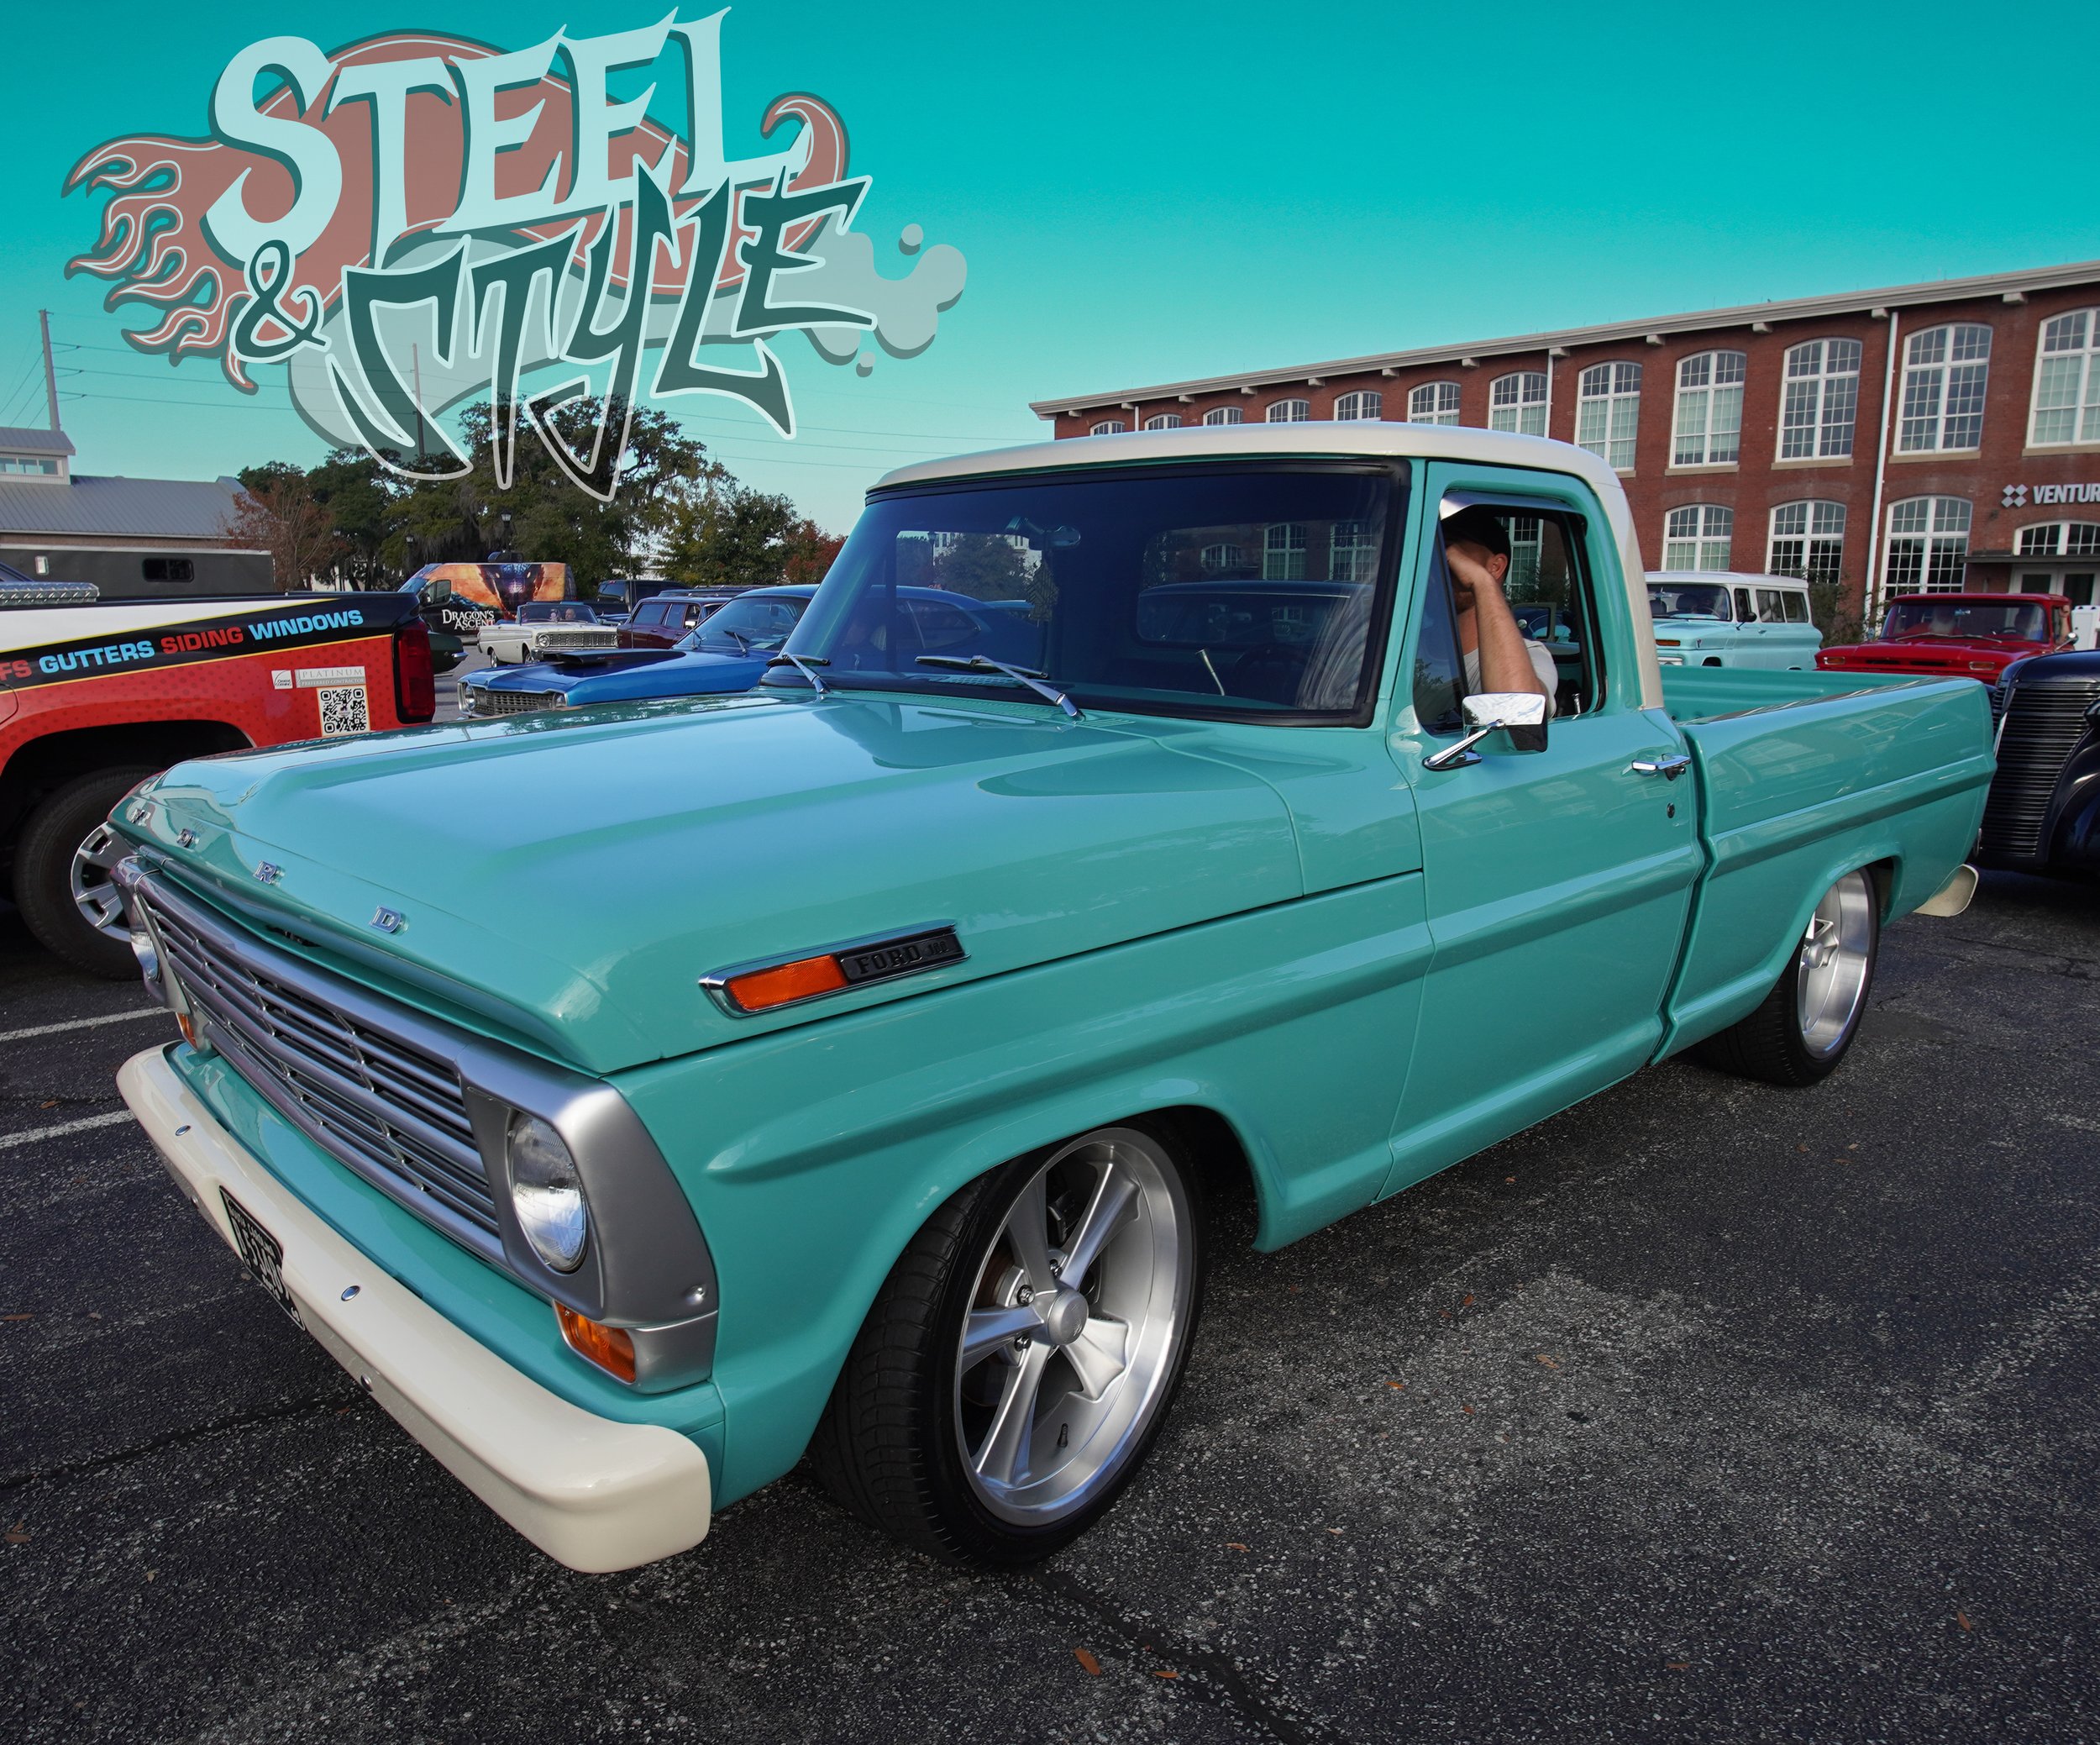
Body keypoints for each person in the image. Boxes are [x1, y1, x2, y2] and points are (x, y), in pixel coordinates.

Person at [1441, 507, 1559, 712]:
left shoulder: (1531, 657)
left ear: (1496, 567)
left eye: (1451, 549)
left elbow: (1516, 711)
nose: (1441, 564)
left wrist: (1481, 582)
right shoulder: (1407, 647)